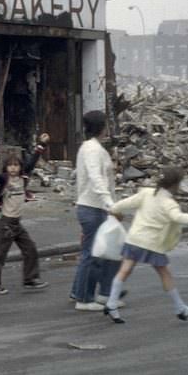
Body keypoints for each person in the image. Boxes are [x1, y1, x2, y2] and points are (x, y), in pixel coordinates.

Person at [104, 166, 188, 324]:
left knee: (125, 270)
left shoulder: (146, 193)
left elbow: (124, 204)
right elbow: (178, 218)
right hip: (152, 243)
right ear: (175, 185)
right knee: (165, 274)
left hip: (134, 239)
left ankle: (111, 304)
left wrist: (113, 209)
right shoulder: (169, 203)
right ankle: (180, 307)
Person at [0, 133, 50, 295]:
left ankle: (30, 279)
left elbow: (33, 160)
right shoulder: (4, 180)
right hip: (6, 224)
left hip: (16, 224)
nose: (13, 168)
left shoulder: (23, 178)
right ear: (6, 168)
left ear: (20, 168)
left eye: (16, 165)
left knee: (30, 249)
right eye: (10, 165)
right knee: (1, 255)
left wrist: (41, 144)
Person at [70, 110, 123, 311]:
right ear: (101, 127)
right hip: (93, 207)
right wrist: (110, 203)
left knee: (102, 253)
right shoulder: (92, 149)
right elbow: (95, 177)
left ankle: (92, 292)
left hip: (96, 207)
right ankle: (84, 299)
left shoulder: (93, 148)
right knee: (92, 255)